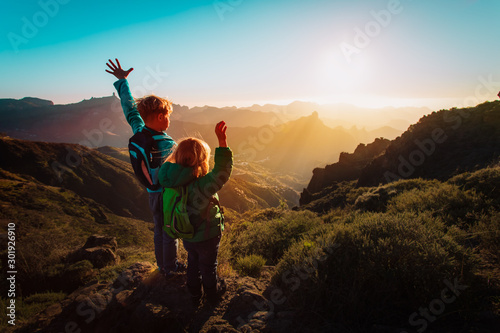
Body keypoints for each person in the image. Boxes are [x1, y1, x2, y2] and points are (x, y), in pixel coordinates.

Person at [105, 58, 185, 278]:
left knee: (159, 228)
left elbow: (130, 109)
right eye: (168, 117)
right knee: (170, 230)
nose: (169, 121)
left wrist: (123, 82)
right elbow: (180, 173)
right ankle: (170, 266)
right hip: (167, 194)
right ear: (161, 116)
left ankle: (162, 265)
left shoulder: (140, 130)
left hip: (151, 192)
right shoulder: (169, 145)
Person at [158, 121, 232, 304]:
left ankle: (194, 294)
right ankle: (212, 295)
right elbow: (222, 171)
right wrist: (222, 141)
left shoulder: (171, 183)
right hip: (207, 236)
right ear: (201, 161)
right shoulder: (202, 185)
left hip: (187, 235)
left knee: (193, 263)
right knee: (208, 267)